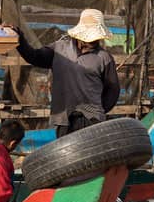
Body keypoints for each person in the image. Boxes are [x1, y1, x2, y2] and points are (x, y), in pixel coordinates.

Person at [13, 8, 120, 137]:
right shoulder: (59, 49)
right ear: (80, 35)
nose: (93, 41)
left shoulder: (104, 58)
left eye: (96, 38)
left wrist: (98, 111)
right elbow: (34, 57)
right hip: (64, 120)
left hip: (92, 121)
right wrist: (19, 39)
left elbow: (113, 90)